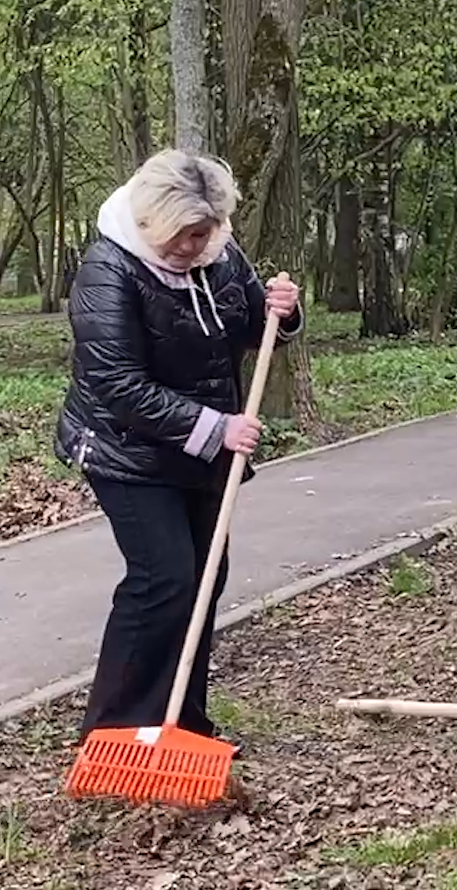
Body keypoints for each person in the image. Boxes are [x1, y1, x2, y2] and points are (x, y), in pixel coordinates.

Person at [55, 149, 302, 747]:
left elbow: (250, 327)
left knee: (204, 580)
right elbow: (117, 384)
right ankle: (114, 731)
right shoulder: (109, 270)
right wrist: (216, 427)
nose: (194, 248)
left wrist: (284, 315)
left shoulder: (221, 254)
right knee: (163, 577)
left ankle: (182, 724)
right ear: (152, 222)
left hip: (199, 452)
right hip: (125, 449)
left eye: (205, 234)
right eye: (185, 236)